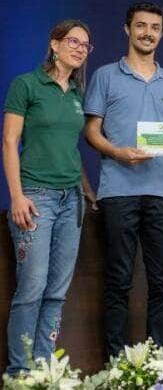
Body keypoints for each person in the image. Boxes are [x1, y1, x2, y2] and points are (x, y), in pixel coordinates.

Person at [84, 2, 163, 357]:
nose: (148, 33)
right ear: (127, 29)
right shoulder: (104, 75)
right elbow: (91, 131)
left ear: (162, 33)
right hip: (119, 191)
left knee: (162, 283)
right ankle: (116, 362)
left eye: (155, 27)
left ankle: (158, 362)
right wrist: (117, 152)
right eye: (141, 26)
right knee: (118, 281)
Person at [2, 20, 97, 375]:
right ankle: (20, 374)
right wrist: (17, 195)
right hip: (36, 196)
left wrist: (86, 189)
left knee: (56, 292)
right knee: (32, 289)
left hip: (72, 200)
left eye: (85, 45)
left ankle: (44, 372)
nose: (79, 49)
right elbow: (10, 141)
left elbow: (68, 147)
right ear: (54, 44)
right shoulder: (26, 84)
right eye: (72, 41)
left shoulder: (76, 93)